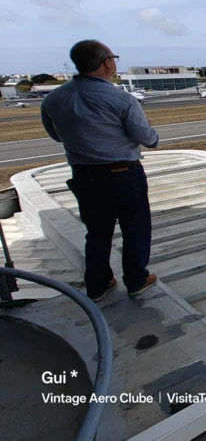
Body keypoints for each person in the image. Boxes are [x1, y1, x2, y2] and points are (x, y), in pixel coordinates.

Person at [41, 40, 159, 301]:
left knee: (96, 233)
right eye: (113, 58)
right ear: (107, 62)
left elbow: (55, 135)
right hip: (123, 174)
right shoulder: (121, 98)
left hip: (84, 175)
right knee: (135, 228)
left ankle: (97, 285)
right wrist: (153, 136)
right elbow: (145, 136)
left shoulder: (54, 97)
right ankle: (137, 280)